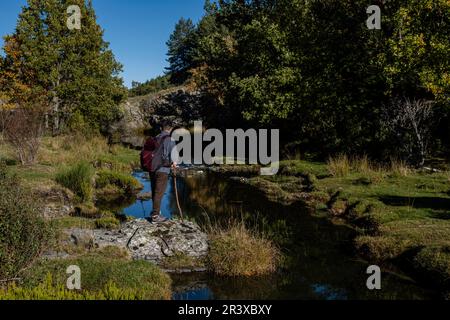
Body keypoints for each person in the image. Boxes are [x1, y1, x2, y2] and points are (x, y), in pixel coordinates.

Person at [148, 119, 177, 223]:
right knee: (159, 192)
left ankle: (156, 212)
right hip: (163, 169)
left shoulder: (155, 138)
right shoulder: (170, 139)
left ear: (161, 128)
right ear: (171, 129)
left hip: (152, 168)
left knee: (154, 191)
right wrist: (174, 164)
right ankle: (155, 216)